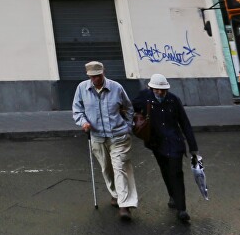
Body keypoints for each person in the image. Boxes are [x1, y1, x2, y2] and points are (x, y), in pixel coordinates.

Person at [72, 60, 139, 220]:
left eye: (98, 76)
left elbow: (129, 107)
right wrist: (83, 122)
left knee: (120, 167)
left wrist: (128, 126)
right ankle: (116, 194)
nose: (96, 79)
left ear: (103, 73)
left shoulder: (116, 87)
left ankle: (125, 205)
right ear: (88, 76)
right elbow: (77, 110)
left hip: (119, 136)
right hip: (97, 137)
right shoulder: (82, 88)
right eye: (92, 77)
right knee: (107, 169)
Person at [132, 73, 199, 224]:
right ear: (151, 88)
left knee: (176, 173)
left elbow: (184, 123)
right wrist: (135, 122)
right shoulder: (144, 97)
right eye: (157, 90)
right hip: (156, 143)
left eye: (163, 90)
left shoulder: (173, 100)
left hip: (175, 142)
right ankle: (172, 196)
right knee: (165, 171)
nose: (161, 93)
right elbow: (130, 108)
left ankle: (182, 209)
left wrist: (193, 147)